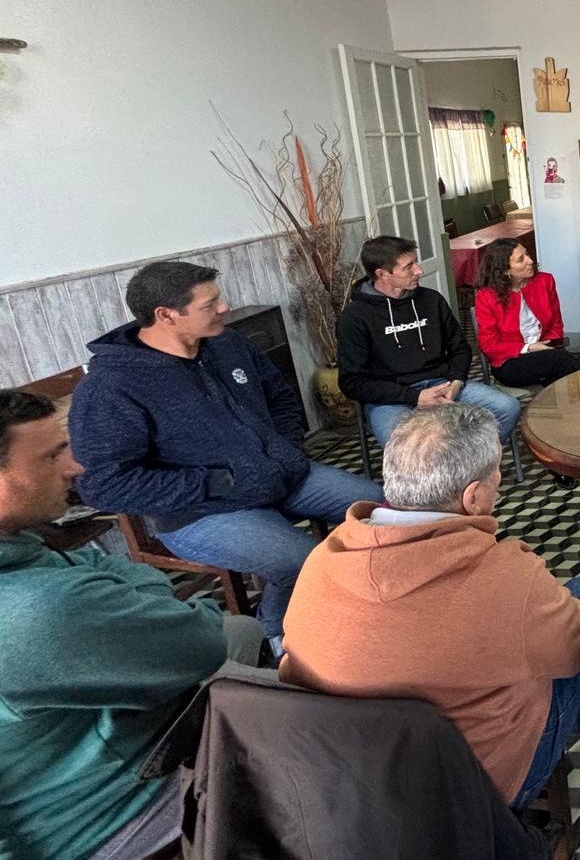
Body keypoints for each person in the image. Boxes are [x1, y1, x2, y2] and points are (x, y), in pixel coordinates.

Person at [280, 403, 580, 809]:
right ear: (473, 497)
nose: (500, 480)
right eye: (497, 473)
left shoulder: (321, 560)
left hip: (344, 788)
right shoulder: (506, 578)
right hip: (470, 797)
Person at [1, 390, 263, 860]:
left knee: (246, 634)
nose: (73, 467)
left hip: (101, 735)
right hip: (114, 816)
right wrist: (152, 596)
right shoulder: (39, 609)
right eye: (52, 454)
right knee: (337, 738)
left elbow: (98, 566)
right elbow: (199, 641)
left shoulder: (23, 551)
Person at [70, 260, 382, 641]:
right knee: (304, 561)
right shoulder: (111, 386)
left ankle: (380, 600)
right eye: (210, 304)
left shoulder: (227, 343)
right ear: (166, 315)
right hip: (201, 511)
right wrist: (219, 482)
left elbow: (280, 396)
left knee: (385, 508)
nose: (224, 309)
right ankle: (278, 637)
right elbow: (104, 485)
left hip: (283, 475)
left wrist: (286, 449)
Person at [337, 235, 522, 446]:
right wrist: (414, 397)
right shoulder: (354, 317)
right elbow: (352, 382)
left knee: (507, 408)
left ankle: (469, 467)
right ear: (383, 274)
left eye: (416, 262)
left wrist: (456, 381)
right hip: (392, 399)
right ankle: (450, 471)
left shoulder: (431, 300)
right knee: (405, 444)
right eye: (409, 267)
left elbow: (460, 347)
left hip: (444, 385)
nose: (419, 270)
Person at [474, 238, 580, 386]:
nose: (530, 261)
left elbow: (556, 324)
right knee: (564, 363)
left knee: (561, 377)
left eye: (527, 254)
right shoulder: (487, 296)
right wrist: (529, 348)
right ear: (505, 270)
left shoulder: (545, 281)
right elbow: (488, 345)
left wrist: (548, 344)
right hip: (509, 361)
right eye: (521, 259)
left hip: (547, 352)